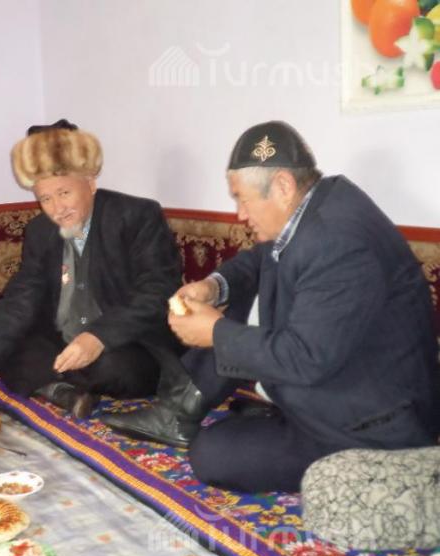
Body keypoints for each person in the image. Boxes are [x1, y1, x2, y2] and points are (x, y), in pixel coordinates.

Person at [164, 120, 439, 492]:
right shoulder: (319, 204)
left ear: (282, 186)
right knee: (238, 308)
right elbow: (258, 259)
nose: (240, 214)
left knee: (211, 453)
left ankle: (379, 468)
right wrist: (214, 286)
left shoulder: (338, 241)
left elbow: (305, 356)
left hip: (373, 423)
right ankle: (204, 404)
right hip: (344, 385)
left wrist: (214, 332)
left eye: (243, 199)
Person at [0, 119, 203, 438]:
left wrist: (98, 337)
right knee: (3, 349)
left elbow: (157, 290)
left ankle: (56, 387)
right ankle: (65, 392)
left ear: (90, 182)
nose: (57, 209)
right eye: (45, 199)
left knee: (115, 368)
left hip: (125, 343)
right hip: (63, 339)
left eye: (64, 193)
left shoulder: (137, 216)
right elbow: (22, 297)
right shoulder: (40, 231)